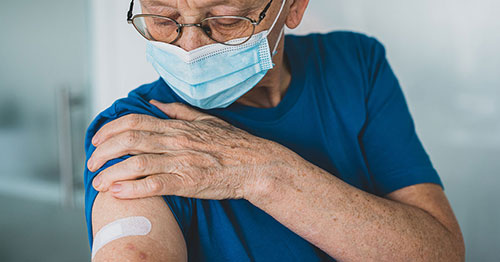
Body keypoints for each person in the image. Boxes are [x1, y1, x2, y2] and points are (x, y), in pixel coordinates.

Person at [83, 0, 465, 261]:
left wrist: (264, 172)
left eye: (227, 19)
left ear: (293, 6)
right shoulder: (136, 134)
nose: (190, 47)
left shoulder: (355, 65)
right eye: (163, 18)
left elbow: (440, 251)